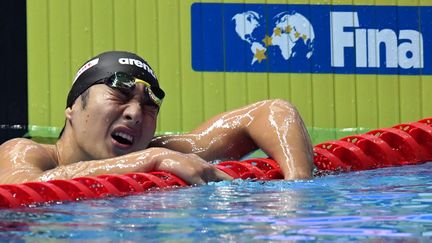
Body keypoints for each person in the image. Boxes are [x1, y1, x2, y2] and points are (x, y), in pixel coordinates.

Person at [0, 51, 314, 185]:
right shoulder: (24, 151)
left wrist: (296, 194)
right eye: (119, 95)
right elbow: (22, 187)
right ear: (73, 107)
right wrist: (150, 160)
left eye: (149, 105)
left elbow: (272, 111)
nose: (135, 112)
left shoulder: (158, 149)